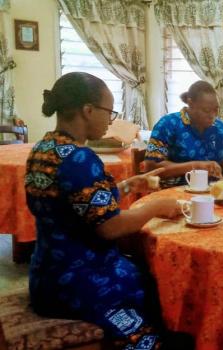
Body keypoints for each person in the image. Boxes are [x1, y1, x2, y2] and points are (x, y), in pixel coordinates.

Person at [25, 72, 190, 349]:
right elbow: (110, 226)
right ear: (87, 110)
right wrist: (157, 206)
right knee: (158, 284)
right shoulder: (79, 158)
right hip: (78, 282)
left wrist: (126, 186)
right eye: (109, 112)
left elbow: (77, 203)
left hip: (46, 273)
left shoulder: (45, 148)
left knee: (146, 273)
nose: (110, 121)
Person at [145, 80, 223, 187]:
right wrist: (196, 166)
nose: (212, 115)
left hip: (213, 192)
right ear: (191, 104)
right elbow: (151, 167)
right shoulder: (168, 124)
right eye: (207, 110)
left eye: (216, 110)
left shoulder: (220, 128)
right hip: (174, 192)